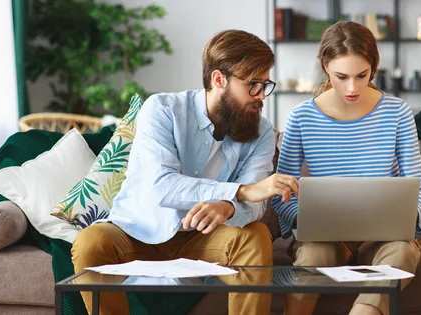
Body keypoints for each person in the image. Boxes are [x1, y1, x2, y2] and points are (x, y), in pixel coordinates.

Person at [71, 29, 299, 315]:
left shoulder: (261, 131)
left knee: (255, 235)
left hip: (204, 237)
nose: (261, 96)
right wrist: (238, 192)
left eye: (266, 84)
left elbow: (257, 200)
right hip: (138, 231)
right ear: (219, 80)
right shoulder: (162, 110)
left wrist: (228, 206)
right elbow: (162, 185)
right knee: (90, 243)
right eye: (253, 85)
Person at [271, 21, 421, 315]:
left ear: (374, 67)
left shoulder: (397, 112)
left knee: (401, 252)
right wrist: (307, 217)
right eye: (341, 76)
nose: (352, 87)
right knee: (312, 253)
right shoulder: (302, 117)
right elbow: (281, 194)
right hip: (324, 236)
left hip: (385, 237)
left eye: (362, 75)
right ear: (324, 66)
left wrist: (409, 214)